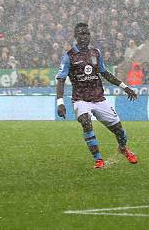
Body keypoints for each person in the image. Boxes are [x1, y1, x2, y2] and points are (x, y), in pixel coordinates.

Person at [56, 23, 139, 169]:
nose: (85, 37)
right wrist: (60, 102)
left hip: (99, 99)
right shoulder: (69, 57)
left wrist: (125, 88)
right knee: (85, 121)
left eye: (87, 34)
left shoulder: (96, 53)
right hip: (81, 99)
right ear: (76, 36)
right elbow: (61, 79)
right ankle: (98, 159)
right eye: (82, 34)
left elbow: (105, 73)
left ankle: (123, 148)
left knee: (119, 131)